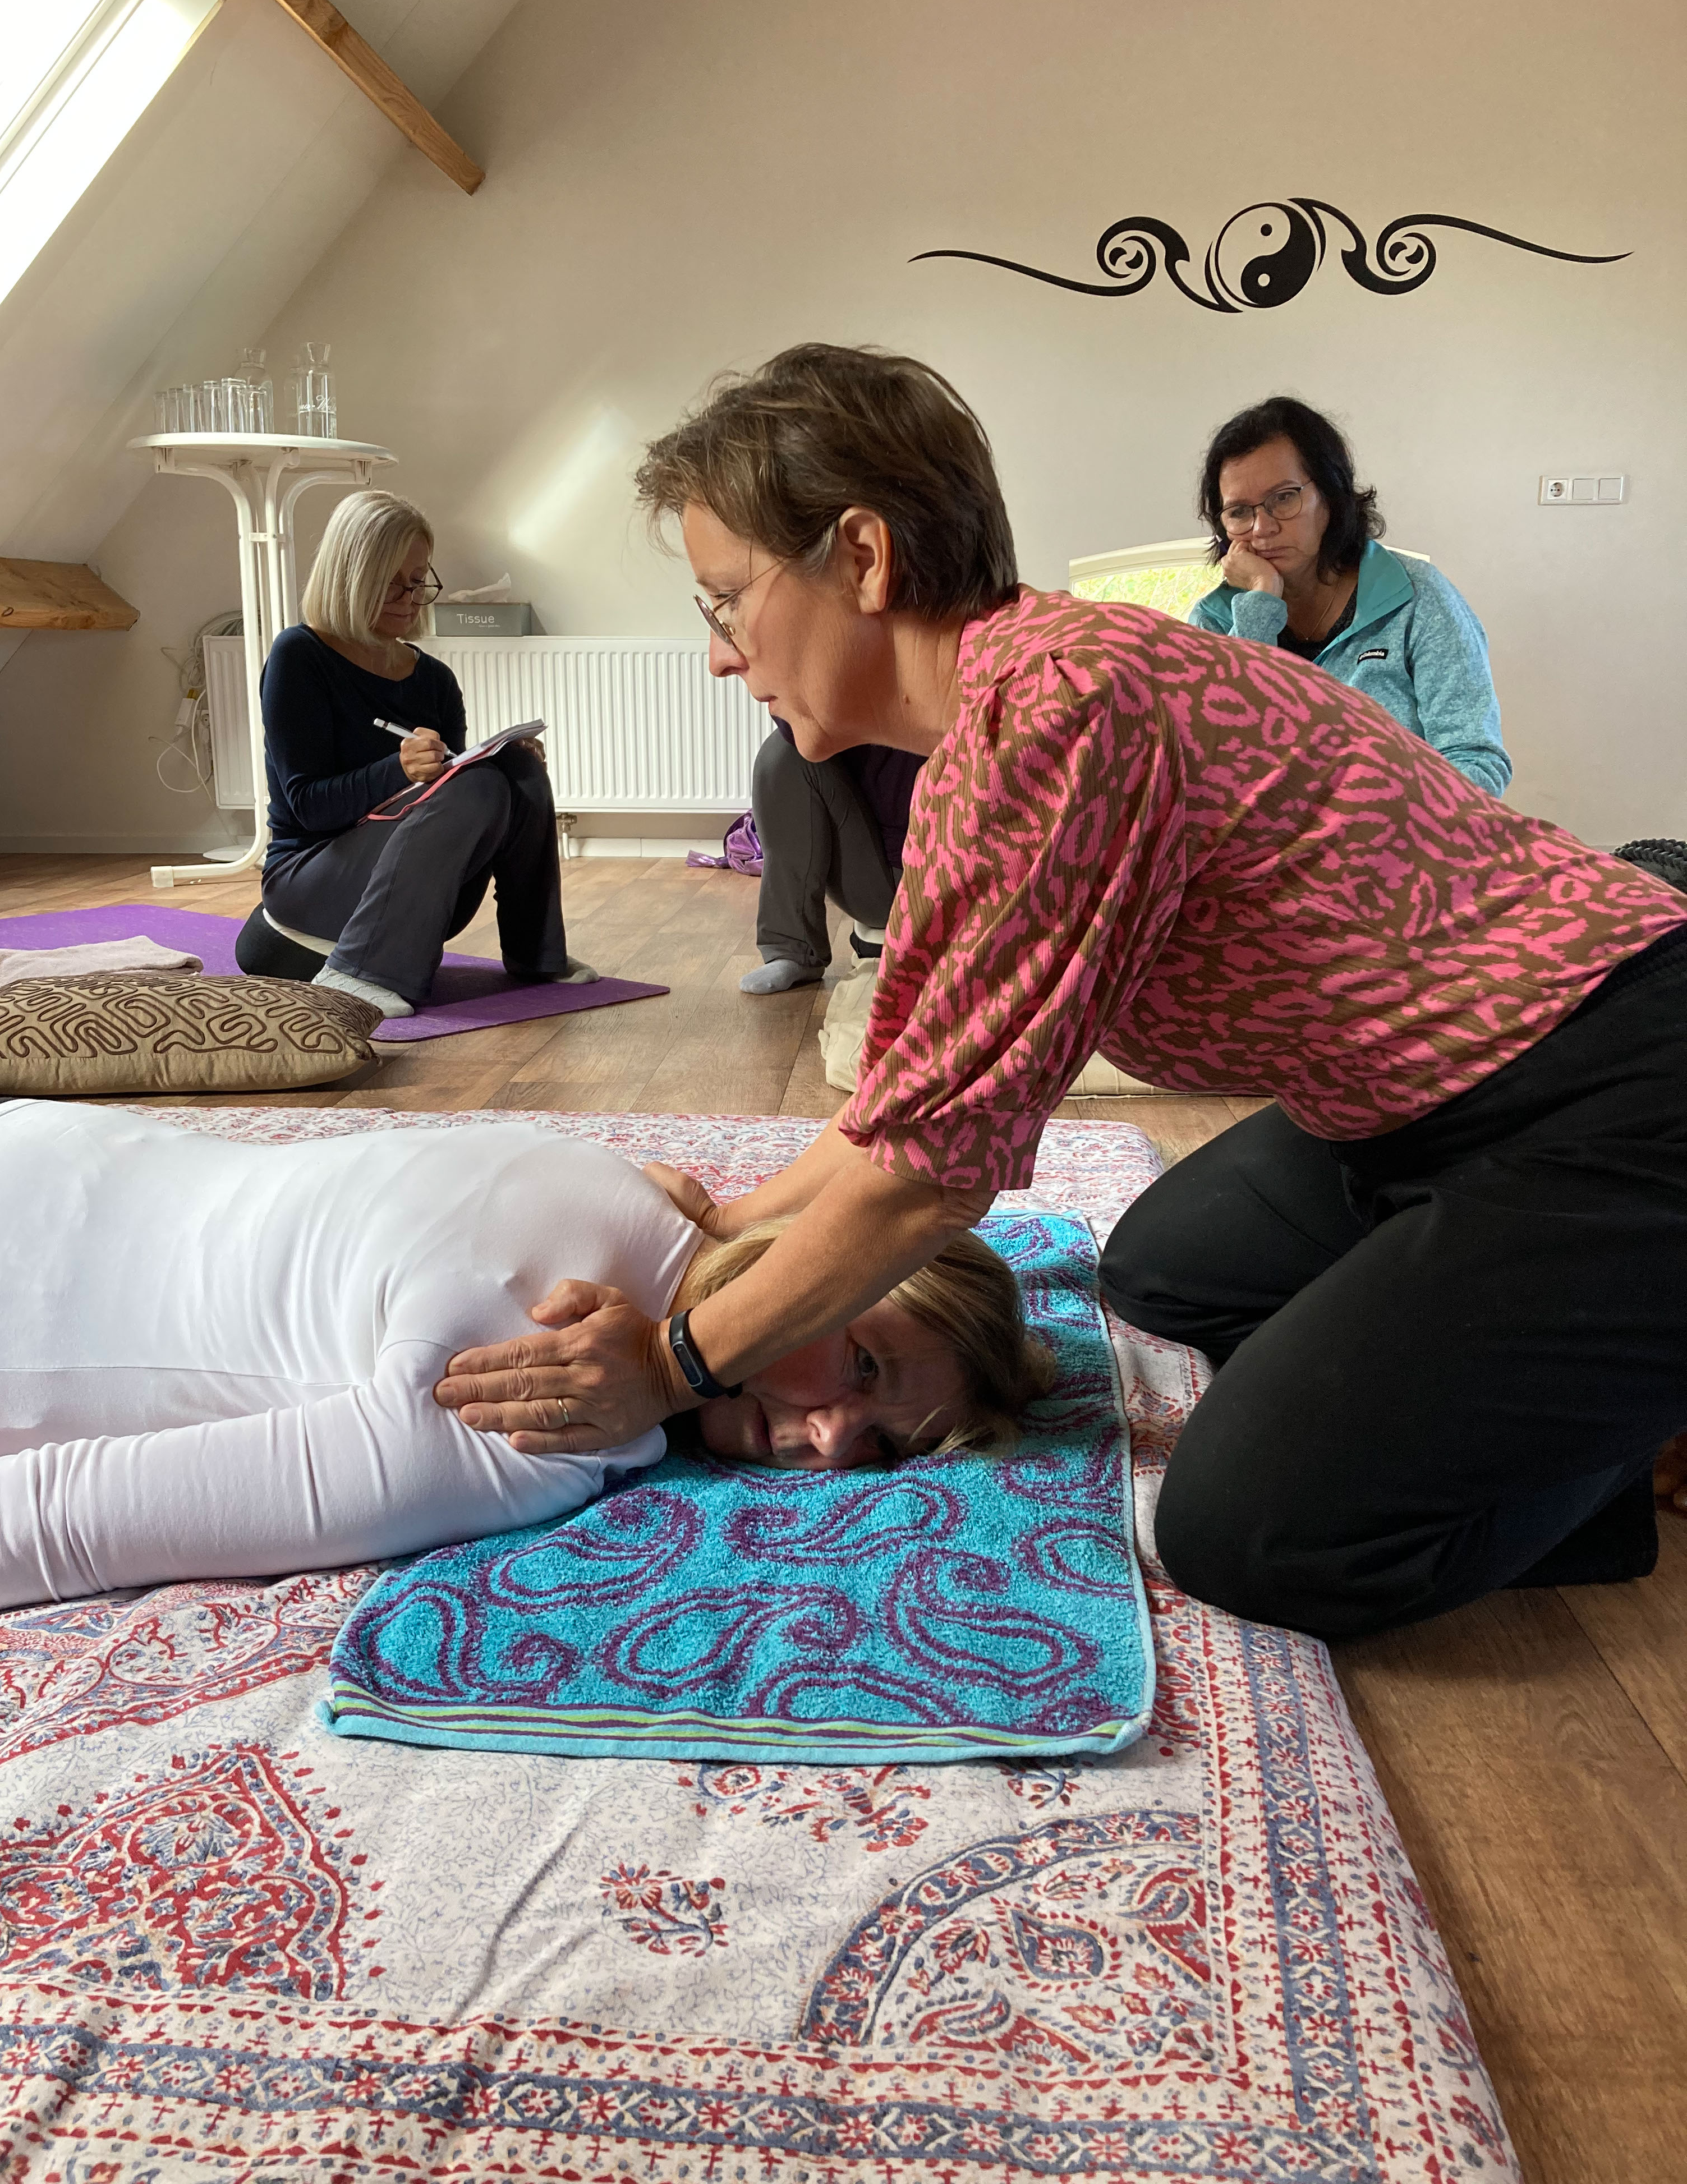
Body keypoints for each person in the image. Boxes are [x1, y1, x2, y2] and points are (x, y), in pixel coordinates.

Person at [433, 341, 1687, 1644]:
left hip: (1610, 1080)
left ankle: (1624, 1375)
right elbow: (906, 1106)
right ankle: (1576, 1383)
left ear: (861, 557)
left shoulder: (1060, 709)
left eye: (726, 601)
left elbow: (928, 1182)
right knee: (1161, 1273)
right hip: (1397, 1112)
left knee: (1250, 1534)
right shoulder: (996, 724)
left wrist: (671, 1366)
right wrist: (731, 1223)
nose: (719, 654)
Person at [0, 1101, 1049, 1610]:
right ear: (816, 1262)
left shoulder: (616, 1182)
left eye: (880, 1446)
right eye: (863, 1367)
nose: (827, 1441)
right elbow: (55, 1522)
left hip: (61, 1144)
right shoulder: (556, 1413)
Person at [237, 489, 594, 1019]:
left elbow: (453, 796)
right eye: (392, 582)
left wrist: (495, 759)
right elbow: (309, 807)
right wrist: (398, 769)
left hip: (414, 877)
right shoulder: (300, 656)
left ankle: (535, 952)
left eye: (419, 580)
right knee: (478, 783)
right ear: (351, 576)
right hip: (309, 875)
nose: (409, 597)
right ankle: (362, 973)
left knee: (516, 770)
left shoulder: (434, 678)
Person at [1188, 394, 1511, 797]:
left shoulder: (1419, 596)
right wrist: (1261, 601)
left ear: (1330, 494)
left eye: (1284, 498)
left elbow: (1476, 761)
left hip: (1409, 831)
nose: (1261, 528)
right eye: (1239, 511)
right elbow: (1220, 769)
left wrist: (1371, 821)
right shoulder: (1211, 623)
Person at [739, 721, 924, 993]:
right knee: (786, 749)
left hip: (945, 878)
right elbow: (795, 724)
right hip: (881, 872)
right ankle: (794, 951)